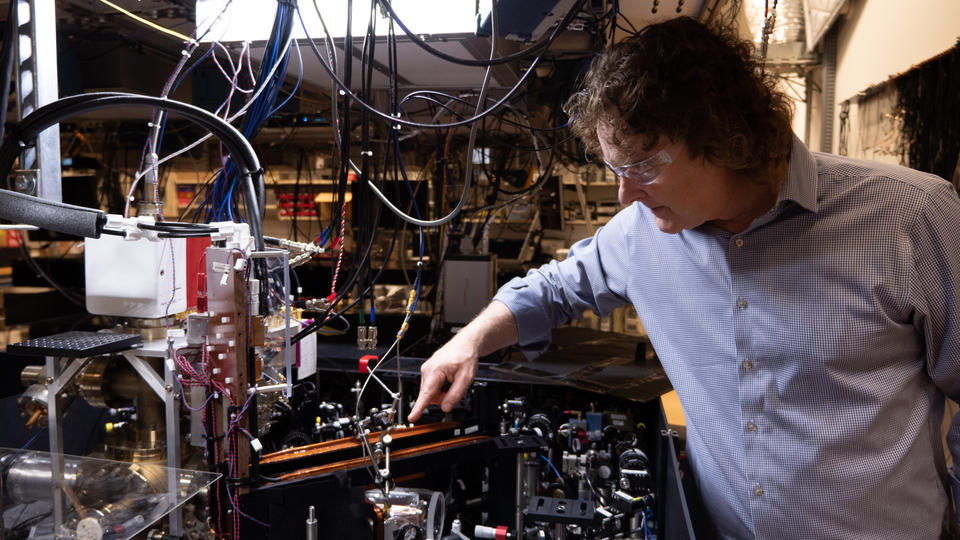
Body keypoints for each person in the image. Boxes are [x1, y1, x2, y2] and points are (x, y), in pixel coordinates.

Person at [408, 16, 960, 540]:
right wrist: (468, 342)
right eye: (615, 171)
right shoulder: (637, 236)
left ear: (725, 137)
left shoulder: (912, 216)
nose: (625, 194)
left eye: (643, 166)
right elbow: (551, 290)